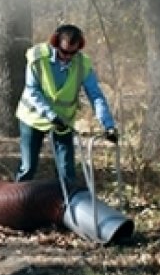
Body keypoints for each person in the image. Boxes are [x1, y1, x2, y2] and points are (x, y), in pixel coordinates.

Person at [14, 24, 118, 184]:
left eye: (73, 53)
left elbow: (96, 96)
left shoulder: (83, 64)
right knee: (28, 167)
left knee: (67, 170)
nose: (68, 57)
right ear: (55, 43)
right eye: (64, 52)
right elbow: (32, 91)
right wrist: (51, 116)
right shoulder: (37, 58)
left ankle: (66, 204)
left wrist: (108, 125)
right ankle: (17, 203)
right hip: (33, 118)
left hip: (63, 122)